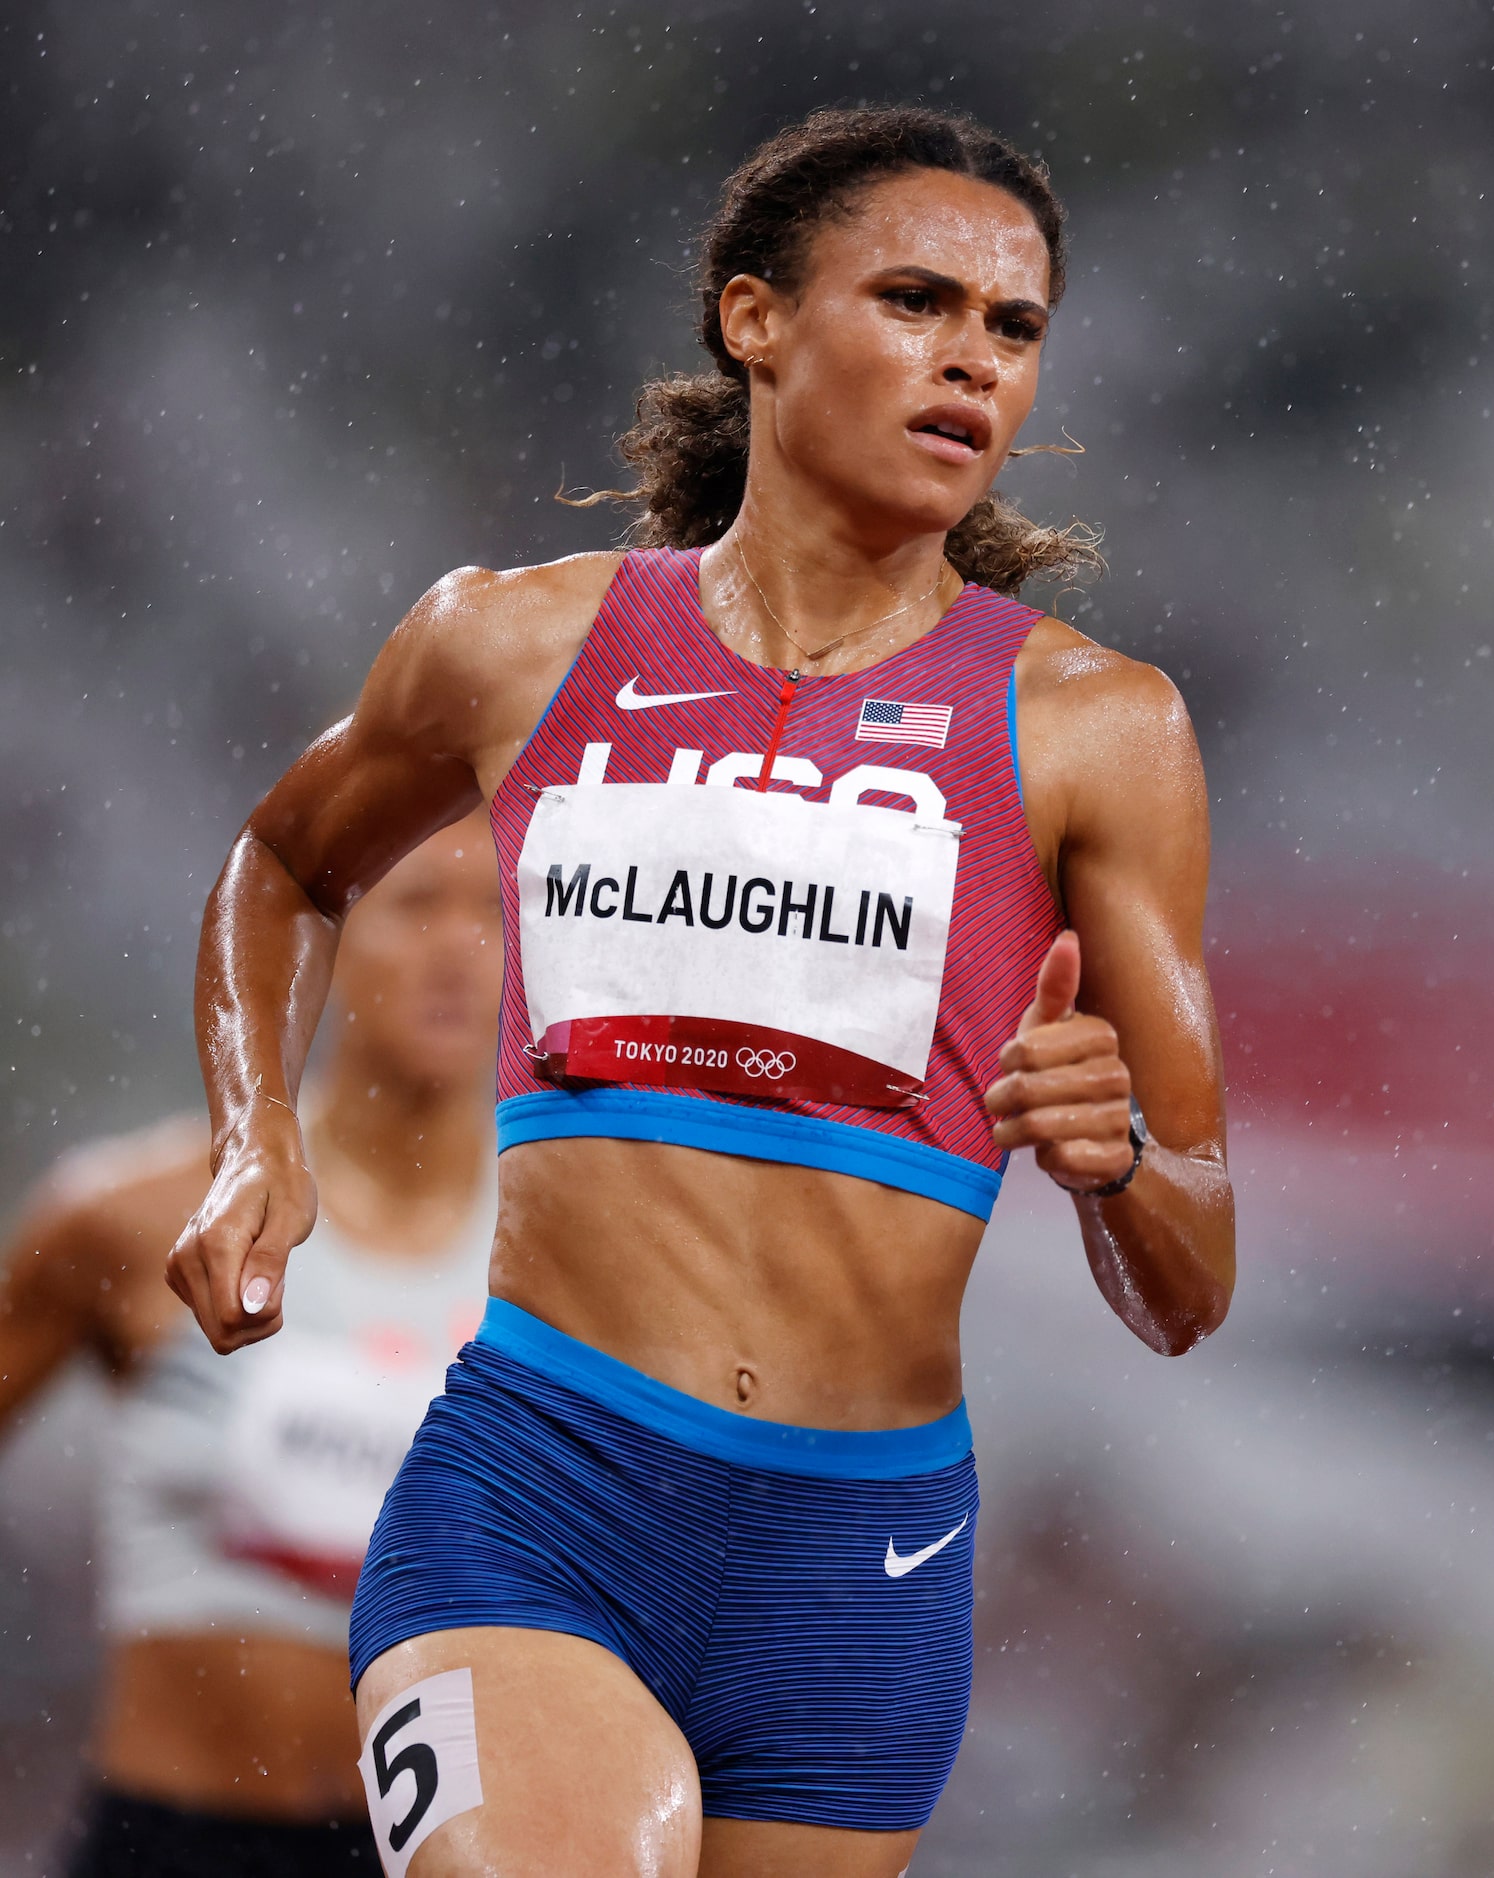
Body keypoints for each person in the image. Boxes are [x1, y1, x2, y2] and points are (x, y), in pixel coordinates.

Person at [166, 104, 1235, 1878]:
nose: (971, 357)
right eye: (914, 299)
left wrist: (1114, 1152)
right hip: (541, 1486)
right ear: (754, 319)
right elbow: (284, 862)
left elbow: (1190, 1279)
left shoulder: (1101, 731)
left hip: (857, 1565)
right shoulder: (511, 640)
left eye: (1014, 328)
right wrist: (250, 1126)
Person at [0, 819, 500, 1878]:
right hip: (166, 1841)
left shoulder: (570, 1263)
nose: (461, 946)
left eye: (497, 915)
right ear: (320, 937)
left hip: (439, 1855)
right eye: (417, 906)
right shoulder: (133, 1222)